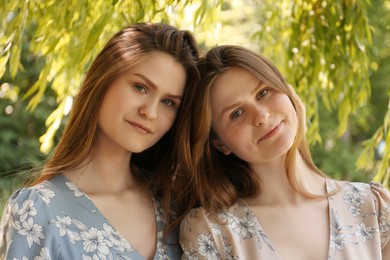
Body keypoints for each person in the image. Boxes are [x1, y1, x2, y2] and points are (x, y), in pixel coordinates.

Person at [0, 22, 200, 259]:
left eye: (169, 102)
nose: (151, 112)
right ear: (103, 81)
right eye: (140, 87)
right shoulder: (37, 210)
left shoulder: (175, 204)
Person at [179, 45, 390, 259]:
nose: (261, 116)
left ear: (288, 92)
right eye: (236, 113)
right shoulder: (212, 232)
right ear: (219, 142)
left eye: (263, 93)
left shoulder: (373, 207)